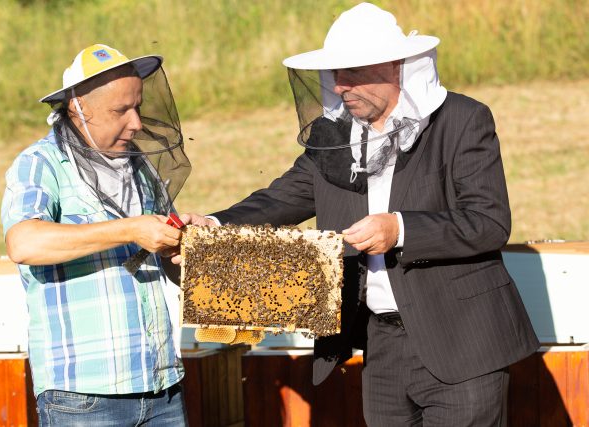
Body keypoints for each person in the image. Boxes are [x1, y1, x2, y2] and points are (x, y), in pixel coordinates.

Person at [182, 4, 538, 426]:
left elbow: (488, 222)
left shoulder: (462, 120)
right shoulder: (332, 138)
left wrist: (400, 228)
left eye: (353, 72)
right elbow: (282, 198)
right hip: (381, 343)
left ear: (396, 67)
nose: (341, 85)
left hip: (462, 342)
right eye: (335, 74)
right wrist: (216, 226)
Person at [1, 44, 191, 426]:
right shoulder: (40, 164)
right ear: (78, 109)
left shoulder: (141, 168)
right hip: (83, 397)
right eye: (121, 110)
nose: (136, 122)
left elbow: (165, 270)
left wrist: (183, 245)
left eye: (137, 106)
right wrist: (131, 228)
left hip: (162, 388)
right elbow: (23, 243)